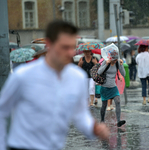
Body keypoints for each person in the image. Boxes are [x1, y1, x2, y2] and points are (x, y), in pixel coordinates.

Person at [0, 20, 109, 150]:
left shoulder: (77, 77)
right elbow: (2, 110)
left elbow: (80, 115)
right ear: (49, 44)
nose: (70, 53)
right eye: (64, 47)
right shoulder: (23, 76)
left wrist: (94, 129)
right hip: (22, 146)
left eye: (72, 47)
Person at [97, 51, 126, 127]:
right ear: (111, 57)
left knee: (118, 101)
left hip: (113, 87)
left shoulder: (117, 63)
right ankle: (102, 120)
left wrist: (121, 65)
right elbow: (99, 72)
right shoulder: (105, 62)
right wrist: (106, 64)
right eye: (114, 59)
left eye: (116, 59)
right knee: (104, 105)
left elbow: (124, 74)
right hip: (104, 87)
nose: (115, 60)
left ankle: (118, 121)